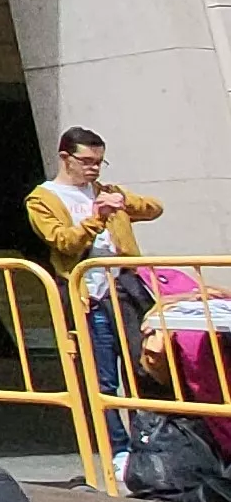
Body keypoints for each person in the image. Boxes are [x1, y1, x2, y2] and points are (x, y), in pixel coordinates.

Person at [27, 126, 162, 467]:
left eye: (100, 162)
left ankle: (150, 445)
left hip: (126, 289)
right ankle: (118, 451)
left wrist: (122, 202)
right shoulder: (44, 198)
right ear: (65, 158)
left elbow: (153, 208)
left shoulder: (105, 190)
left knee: (142, 368)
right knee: (102, 378)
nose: (93, 169)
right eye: (86, 161)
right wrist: (96, 219)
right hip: (89, 294)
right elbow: (62, 242)